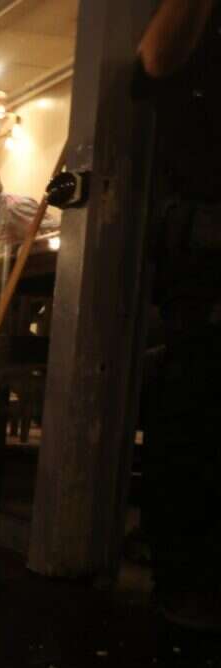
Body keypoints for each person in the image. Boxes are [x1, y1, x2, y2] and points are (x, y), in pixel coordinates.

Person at [134, 0, 221, 630]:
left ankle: (185, 574)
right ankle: (183, 577)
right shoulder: (190, 43)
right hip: (200, 252)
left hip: (197, 244)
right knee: (192, 395)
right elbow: (154, 65)